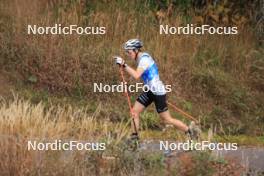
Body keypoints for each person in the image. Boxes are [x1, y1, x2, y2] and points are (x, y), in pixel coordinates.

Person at [114, 39, 197, 141]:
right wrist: (124, 65)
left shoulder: (144, 60)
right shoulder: (140, 58)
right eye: (126, 52)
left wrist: (124, 65)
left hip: (158, 92)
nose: (128, 54)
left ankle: (189, 131)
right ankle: (134, 138)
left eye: (129, 52)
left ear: (136, 50)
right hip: (150, 91)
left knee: (167, 120)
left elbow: (136, 75)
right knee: (134, 112)